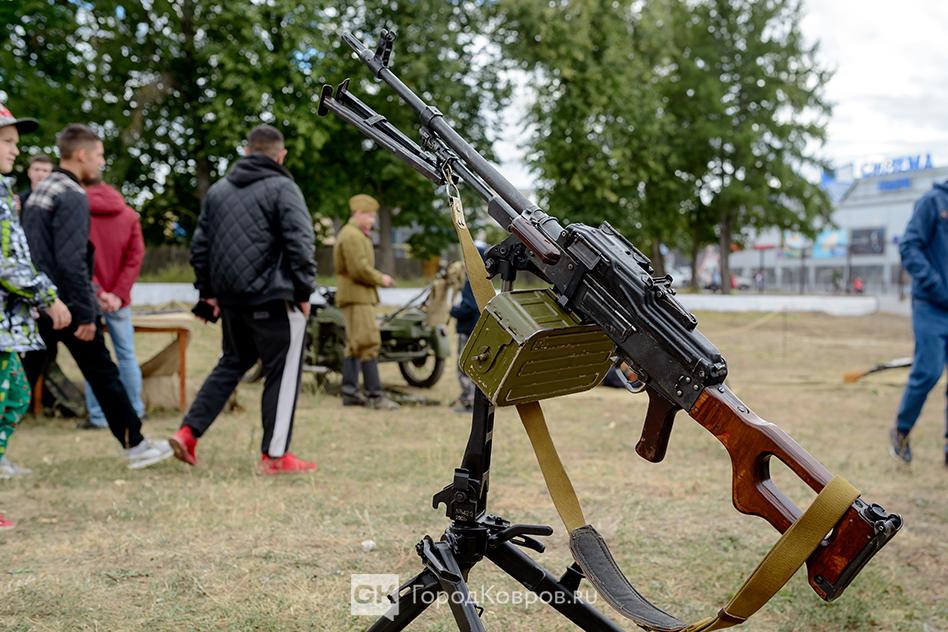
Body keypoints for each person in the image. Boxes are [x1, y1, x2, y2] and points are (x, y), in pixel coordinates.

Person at [169, 124, 317, 474]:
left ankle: (188, 433)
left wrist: (207, 292)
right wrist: (303, 292)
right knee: (283, 371)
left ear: (247, 151)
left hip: (231, 300)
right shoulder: (283, 187)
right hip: (274, 298)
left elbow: (200, 247)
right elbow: (300, 243)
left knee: (231, 363)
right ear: (280, 155)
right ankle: (276, 456)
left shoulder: (219, 191)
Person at [21, 123, 171, 469]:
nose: (101, 162)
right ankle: (136, 446)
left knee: (21, 379)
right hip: (66, 305)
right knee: (104, 375)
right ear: (81, 155)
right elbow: (72, 261)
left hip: (38, 302)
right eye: (99, 155)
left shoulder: (41, 192)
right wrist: (86, 314)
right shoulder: (72, 195)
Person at [0, 106, 72, 507]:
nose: (15, 150)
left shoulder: (4, 193)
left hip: (8, 327)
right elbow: (4, 263)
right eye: (7, 142)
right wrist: (48, 297)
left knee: (15, 397)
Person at [890, 180, 948, 466]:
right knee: (929, 371)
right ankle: (901, 431)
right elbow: (909, 246)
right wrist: (936, 284)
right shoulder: (933, 202)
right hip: (932, 305)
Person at [80, 180, 146, 429]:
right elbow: (135, 256)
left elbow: (78, 255)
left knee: (93, 356)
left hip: (90, 295)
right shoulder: (129, 216)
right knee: (126, 354)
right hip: (118, 300)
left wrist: (98, 291)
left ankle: (98, 415)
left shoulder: (80, 213)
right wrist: (118, 293)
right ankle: (135, 409)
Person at [333, 194, 399, 410]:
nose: (372, 220)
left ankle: (350, 393)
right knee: (368, 343)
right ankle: (374, 395)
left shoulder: (353, 234)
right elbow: (358, 269)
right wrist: (381, 278)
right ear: (358, 213)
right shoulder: (352, 236)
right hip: (357, 297)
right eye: (369, 216)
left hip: (356, 296)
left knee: (354, 345)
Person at [449, 248, 486, 413]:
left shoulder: (470, 281)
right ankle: (475, 399)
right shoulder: (483, 279)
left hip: (468, 330)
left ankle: (468, 401)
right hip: (478, 329)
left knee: (464, 366)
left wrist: (453, 311)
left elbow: (468, 307)